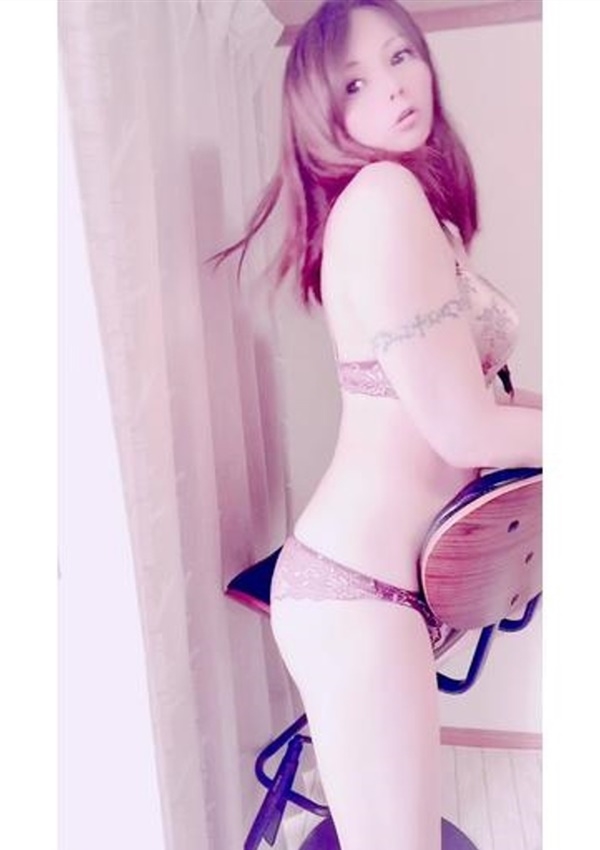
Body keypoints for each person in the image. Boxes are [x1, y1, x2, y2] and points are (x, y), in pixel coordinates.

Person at [212, 1, 542, 848]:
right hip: (356, 595)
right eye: (355, 82)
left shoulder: (413, 207)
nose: (394, 88)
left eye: (401, 57)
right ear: (321, 113)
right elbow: (464, 433)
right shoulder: (384, 197)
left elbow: (478, 401)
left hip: (381, 589)